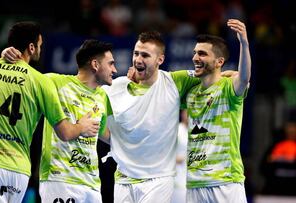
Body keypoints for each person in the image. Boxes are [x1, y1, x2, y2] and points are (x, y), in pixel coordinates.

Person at [0, 21, 99, 203]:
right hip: (19, 170)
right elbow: (65, 132)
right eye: (39, 45)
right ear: (31, 47)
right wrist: (82, 126)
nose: (40, 49)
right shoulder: (40, 81)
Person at [2, 39, 117, 202]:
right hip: (60, 180)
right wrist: (7, 58)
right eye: (111, 64)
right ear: (95, 65)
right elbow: (20, 80)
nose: (115, 69)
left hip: (92, 185)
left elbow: (106, 134)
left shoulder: (103, 96)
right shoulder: (54, 83)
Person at [102, 30, 200, 202]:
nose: (138, 59)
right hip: (123, 179)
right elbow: (102, 128)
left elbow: (211, 77)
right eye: (136, 53)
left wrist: (233, 76)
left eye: (145, 55)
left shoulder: (175, 82)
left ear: (159, 60)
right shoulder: (116, 88)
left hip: (158, 180)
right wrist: (117, 142)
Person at [184, 19, 251, 202]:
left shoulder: (228, 88)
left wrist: (244, 43)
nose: (195, 58)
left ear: (219, 61)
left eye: (202, 54)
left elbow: (244, 78)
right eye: (195, 53)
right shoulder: (190, 93)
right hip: (194, 183)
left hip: (226, 182)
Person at [260, 118, 296, 196]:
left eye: (294, 127)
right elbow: (263, 168)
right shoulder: (275, 146)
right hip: (274, 190)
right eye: (289, 127)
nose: (291, 131)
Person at [171, 109, 188, 203]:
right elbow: (164, 154)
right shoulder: (177, 130)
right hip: (177, 179)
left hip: (190, 178)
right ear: (182, 113)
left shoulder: (196, 131)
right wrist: (177, 159)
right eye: (187, 112)